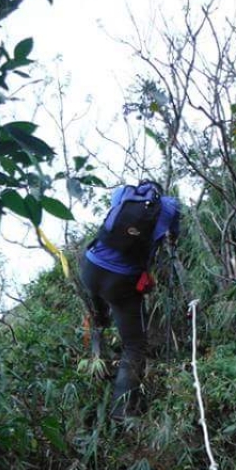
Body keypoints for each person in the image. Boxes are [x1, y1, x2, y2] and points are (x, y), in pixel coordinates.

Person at [80, 179, 181, 420]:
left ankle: (100, 326)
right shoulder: (169, 205)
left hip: (90, 267)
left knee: (100, 306)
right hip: (121, 281)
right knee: (134, 345)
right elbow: (173, 239)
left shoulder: (123, 193)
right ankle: (121, 412)